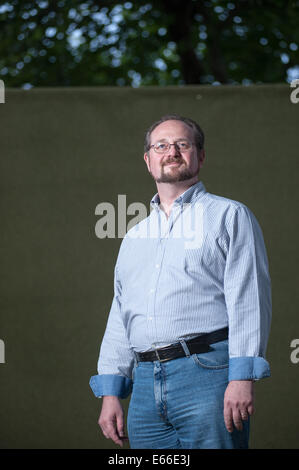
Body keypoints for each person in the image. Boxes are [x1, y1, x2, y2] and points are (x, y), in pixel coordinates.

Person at [89, 115, 272, 449]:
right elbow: (121, 315)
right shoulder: (133, 236)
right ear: (148, 160)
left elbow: (249, 300)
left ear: (200, 156)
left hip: (207, 374)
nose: (170, 151)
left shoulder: (229, 216)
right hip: (144, 386)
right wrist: (111, 390)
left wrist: (242, 377)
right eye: (161, 145)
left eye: (182, 144)